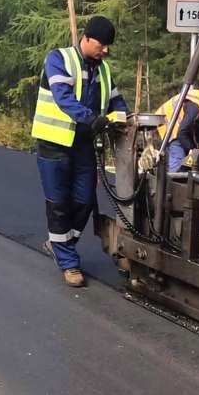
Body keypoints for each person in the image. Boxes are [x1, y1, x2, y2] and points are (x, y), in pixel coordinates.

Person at [31, 15, 130, 287]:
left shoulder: (104, 71)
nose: (106, 50)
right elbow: (63, 98)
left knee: (84, 200)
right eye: (102, 44)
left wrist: (128, 120)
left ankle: (60, 243)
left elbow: (116, 102)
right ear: (86, 38)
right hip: (54, 145)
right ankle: (68, 262)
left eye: (109, 45)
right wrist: (92, 119)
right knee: (59, 204)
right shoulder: (58, 59)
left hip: (83, 147)